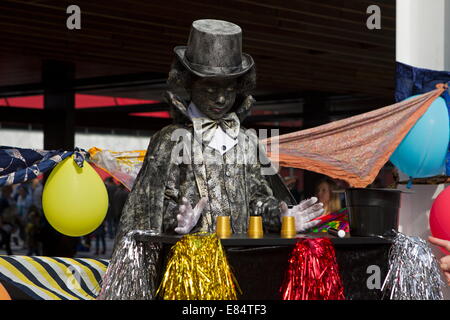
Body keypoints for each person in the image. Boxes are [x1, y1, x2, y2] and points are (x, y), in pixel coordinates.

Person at [113, 19, 324, 251]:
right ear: (189, 84)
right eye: (210, 89)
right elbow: (149, 205)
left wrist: (282, 216)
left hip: (242, 263)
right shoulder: (170, 139)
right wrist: (177, 218)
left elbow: (256, 200)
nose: (221, 99)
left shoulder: (246, 140)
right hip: (191, 266)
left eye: (230, 89)